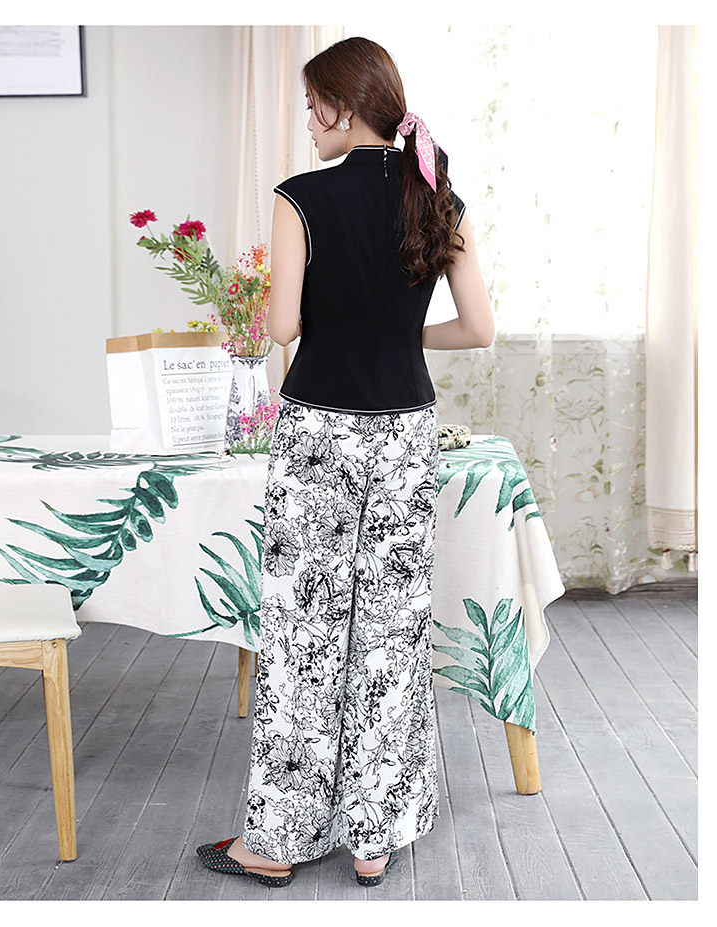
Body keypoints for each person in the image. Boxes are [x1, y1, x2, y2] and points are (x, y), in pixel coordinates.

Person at [197, 35, 493, 889]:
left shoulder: (301, 197)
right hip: (405, 434)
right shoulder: (438, 197)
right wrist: (400, 335)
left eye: (311, 105)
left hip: (320, 433)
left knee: (305, 632)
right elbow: (479, 328)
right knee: (392, 630)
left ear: (343, 104)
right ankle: (375, 837)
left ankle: (278, 841)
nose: (307, 121)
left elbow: (281, 328)